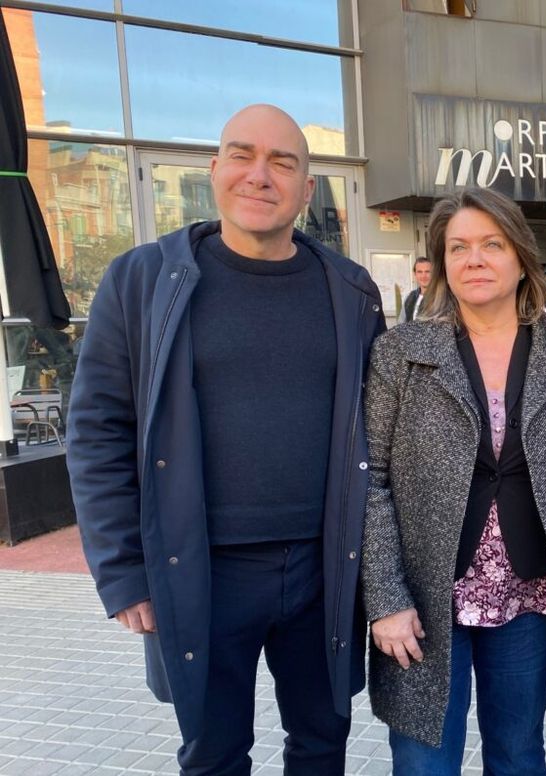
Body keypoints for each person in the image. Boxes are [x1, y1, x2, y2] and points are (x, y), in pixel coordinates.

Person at [66, 104, 386, 775]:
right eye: (242, 155)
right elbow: (98, 431)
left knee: (323, 744)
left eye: (283, 163)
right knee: (213, 754)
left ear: (307, 188)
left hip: (326, 566)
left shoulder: (350, 289)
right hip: (199, 568)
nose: (259, 175)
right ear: (214, 170)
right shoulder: (142, 281)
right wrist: (122, 572)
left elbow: (379, 434)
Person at [362, 187, 546, 775]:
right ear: (442, 262)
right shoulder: (401, 354)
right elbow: (372, 482)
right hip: (424, 598)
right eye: (458, 247)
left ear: (521, 257)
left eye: (492, 245)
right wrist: (385, 598)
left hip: (528, 594)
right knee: (423, 762)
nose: (474, 260)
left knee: (519, 755)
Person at [401, 256, 432, 321]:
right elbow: (402, 323)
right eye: (420, 272)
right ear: (415, 274)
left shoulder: (441, 298)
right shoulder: (410, 297)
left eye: (427, 272)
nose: (423, 276)